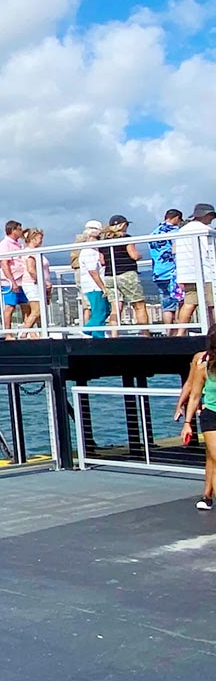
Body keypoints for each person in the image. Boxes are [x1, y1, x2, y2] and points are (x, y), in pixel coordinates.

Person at [180, 325, 216, 510]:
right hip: (211, 416)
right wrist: (187, 423)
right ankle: (208, 496)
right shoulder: (203, 365)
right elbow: (194, 396)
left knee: (213, 459)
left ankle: (207, 495)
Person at [103, 215, 148, 335]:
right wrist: (140, 255)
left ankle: (114, 335)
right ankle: (145, 334)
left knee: (115, 308)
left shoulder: (103, 241)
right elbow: (134, 255)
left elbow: (102, 261)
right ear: (123, 225)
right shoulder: (125, 238)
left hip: (109, 275)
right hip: (126, 274)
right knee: (138, 305)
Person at [175, 203, 216, 334]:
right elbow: (209, 251)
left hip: (187, 273)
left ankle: (180, 333)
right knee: (212, 304)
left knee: (189, 304)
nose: (212, 219)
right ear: (207, 215)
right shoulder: (206, 230)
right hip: (206, 272)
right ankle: (212, 333)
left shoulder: (182, 231)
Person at [149, 208, 184, 335]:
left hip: (158, 273)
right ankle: (180, 332)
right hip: (173, 272)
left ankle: (169, 333)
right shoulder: (175, 232)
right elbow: (176, 251)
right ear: (177, 218)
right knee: (181, 302)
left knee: (167, 305)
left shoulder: (154, 233)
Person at [0, 220, 30, 340]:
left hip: (22, 280)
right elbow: (4, 264)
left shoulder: (19, 245)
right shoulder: (5, 244)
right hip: (11, 282)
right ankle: (8, 333)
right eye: (19, 229)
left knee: (26, 306)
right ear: (13, 230)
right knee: (10, 307)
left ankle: (29, 332)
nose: (21, 231)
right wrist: (12, 282)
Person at [20, 228, 52, 336]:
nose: (41, 241)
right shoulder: (31, 253)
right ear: (33, 239)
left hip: (39, 284)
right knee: (37, 310)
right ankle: (23, 334)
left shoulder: (35, 252)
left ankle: (43, 334)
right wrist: (43, 281)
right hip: (32, 284)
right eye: (40, 238)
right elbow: (31, 269)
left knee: (41, 312)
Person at [77, 230, 109, 338]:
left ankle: (92, 331)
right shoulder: (88, 251)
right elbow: (93, 272)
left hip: (96, 286)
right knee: (100, 311)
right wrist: (103, 287)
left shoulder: (95, 251)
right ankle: (94, 333)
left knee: (104, 310)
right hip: (94, 287)